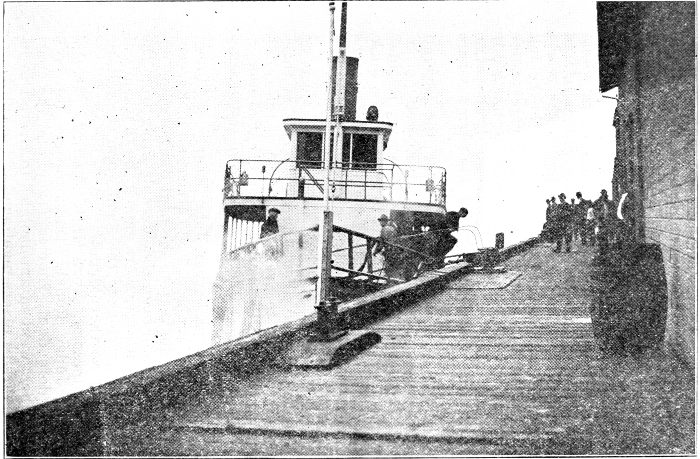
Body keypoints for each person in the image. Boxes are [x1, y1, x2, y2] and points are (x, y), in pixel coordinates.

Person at [373, 214, 402, 280]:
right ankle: (394, 279)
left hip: (389, 251)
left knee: (388, 268)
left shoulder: (383, 229)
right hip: (396, 250)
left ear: (384, 221)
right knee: (394, 268)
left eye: (381, 221)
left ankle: (389, 280)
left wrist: (375, 252)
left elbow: (381, 244)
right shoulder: (392, 228)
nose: (380, 223)